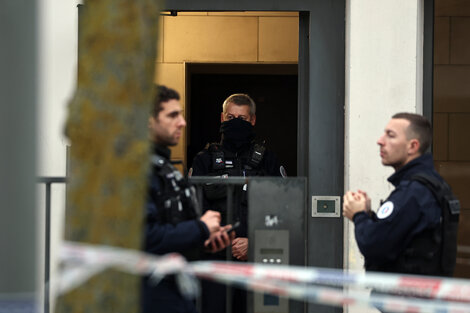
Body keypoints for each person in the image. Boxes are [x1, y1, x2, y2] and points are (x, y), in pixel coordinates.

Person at [190, 93, 286, 313]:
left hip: (255, 259)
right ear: (222, 118)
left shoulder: (268, 160)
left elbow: (282, 211)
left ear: (252, 120)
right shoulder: (204, 160)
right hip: (214, 259)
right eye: (231, 118)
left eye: (242, 119)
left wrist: (254, 242)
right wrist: (219, 238)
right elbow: (193, 211)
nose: (236, 123)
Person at [142, 85, 233, 313]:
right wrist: (200, 228)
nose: (182, 122)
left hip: (177, 293)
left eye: (181, 114)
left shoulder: (165, 169)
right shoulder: (135, 171)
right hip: (149, 297)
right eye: (172, 115)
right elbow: (145, 238)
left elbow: (170, 230)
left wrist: (204, 243)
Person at [343, 112, 459, 278]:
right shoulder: (431, 185)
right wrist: (368, 215)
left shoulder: (414, 193)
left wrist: (358, 216)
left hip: (409, 300)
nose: (380, 141)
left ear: (412, 146)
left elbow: (374, 245)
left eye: (390, 135)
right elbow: (396, 235)